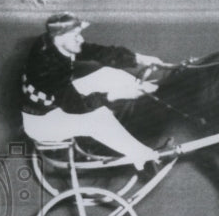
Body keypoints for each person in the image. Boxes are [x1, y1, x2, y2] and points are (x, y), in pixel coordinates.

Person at [21, 12, 169, 170]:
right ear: (59, 37)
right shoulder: (47, 68)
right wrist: (117, 95)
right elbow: (78, 107)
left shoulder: (53, 42)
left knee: (109, 73)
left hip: (57, 100)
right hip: (43, 122)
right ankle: (145, 157)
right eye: (76, 35)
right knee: (100, 118)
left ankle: (153, 91)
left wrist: (139, 58)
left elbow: (96, 52)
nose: (81, 39)